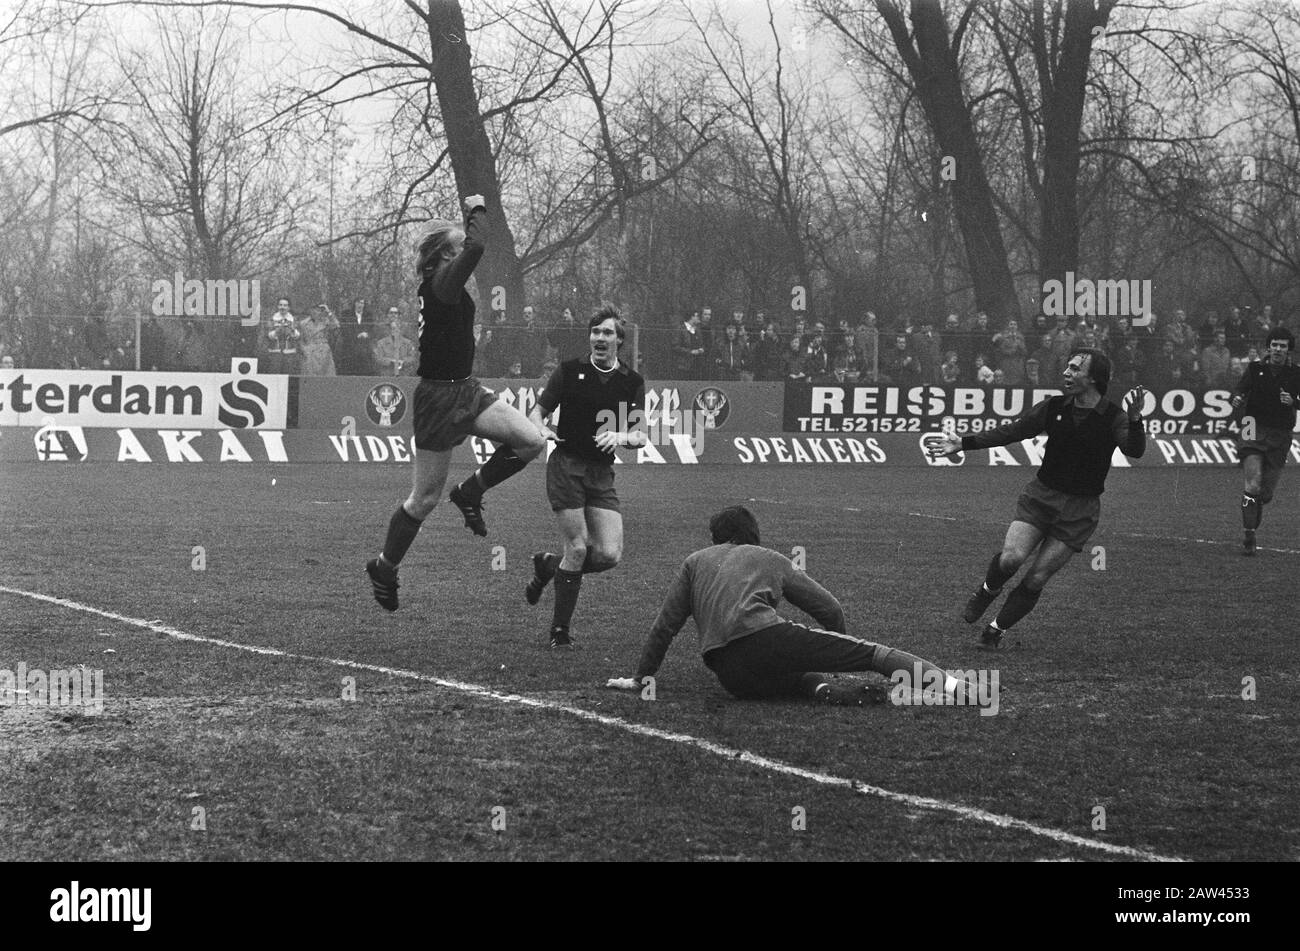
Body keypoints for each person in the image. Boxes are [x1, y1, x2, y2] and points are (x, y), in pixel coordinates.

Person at [365, 194, 546, 611]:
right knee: (424, 499)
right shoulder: (443, 283)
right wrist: (478, 205)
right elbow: (479, 245)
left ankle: (469, 493)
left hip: (466, 388)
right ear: (446, 252)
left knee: (531, 441)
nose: (464, 245)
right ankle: (385, 566)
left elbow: (474, 248)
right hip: (438, 398)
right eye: (457, 242)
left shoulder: (445, 282)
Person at [605, 506, 975, 706]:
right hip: (767, 639)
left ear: (717, 537)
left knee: (793, 680)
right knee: (877, 655)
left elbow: (664, 627)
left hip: (731, 677)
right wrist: (836, 655)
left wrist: (640, 679)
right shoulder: (771, 558)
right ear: (753, 536)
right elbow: (829, 609)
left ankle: (822, 691)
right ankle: (960, 689)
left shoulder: (695, 560)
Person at [929, 349, 1147, 649]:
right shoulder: (1054, 407)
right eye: (1067, 367)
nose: (1066, 373)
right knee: (1011, 559)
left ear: (1094, 378)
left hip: (1080, 511)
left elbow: (1134, 450)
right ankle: (987, 590)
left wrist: (1135, 420)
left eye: (1074, 369)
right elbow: (1014, 431)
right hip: (1041, 497)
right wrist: (964, 443)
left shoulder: (1114, 417)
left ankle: (995, 630)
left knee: (1036, 578)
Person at [523, 305, 647, 648]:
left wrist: (620, 437)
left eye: (607, 333)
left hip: (601, 473)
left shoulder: (631, 383)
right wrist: (541, 429)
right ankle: (559, 631)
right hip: (566, 466)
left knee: (608, 555)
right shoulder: (569, 372)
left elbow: (639, 436)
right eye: (595, 332)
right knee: (577, 548)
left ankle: (549, 566)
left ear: (619, 340)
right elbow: (537, 412)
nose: (600, 338)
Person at [1230, 326, 1300, 555]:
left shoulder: (1296, 373)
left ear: (1289, 350)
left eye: (1282, 346)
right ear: (1269, 347)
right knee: (1252, 483)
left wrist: (1294, 402)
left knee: (1265, 493)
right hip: (1253, 427)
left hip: (1280, 433)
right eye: (1274, 345)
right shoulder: (1255, 369)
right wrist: (1237, 399)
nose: (1278, 349)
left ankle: (1254, 506)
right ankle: (1249, 535)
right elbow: (1239, 391)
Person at [299, 304, 339, 375]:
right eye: (313, 309)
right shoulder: (304, 323)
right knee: (309, 376)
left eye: (318, 310)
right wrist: (305, 350)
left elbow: (336, 325)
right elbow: (300, 339)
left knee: (326, 376)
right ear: (310, 310)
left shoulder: (326, 321)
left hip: (324, 352)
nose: (315, 312)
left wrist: (329, 312)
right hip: (310, 353)